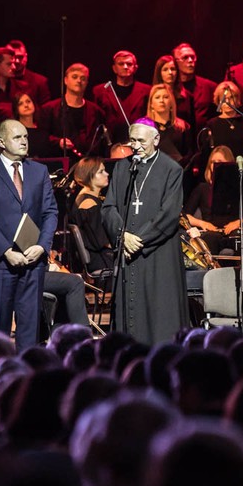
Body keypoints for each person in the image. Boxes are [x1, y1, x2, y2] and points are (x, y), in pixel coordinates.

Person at [0, 119, 59, 349]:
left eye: (26, 137)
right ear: (1, 142)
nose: (24, 141)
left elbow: (50, 212)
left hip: (33, 259)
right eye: (17, 137)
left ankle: (27, 376)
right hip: (1, 262)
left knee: (30, 326)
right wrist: (7, 251)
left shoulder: (39, 171)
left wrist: (42, 246)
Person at [101, 119, 187, 344]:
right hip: (127, 250)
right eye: (132, 140)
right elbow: (108, 207)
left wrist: (138, 240)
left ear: (156, 140)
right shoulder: (122, 167)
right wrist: (122, 235)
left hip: (158, 252)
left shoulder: (171, 169)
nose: (135, 146)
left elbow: (169, 214)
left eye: (141, 141)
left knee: (158, 312)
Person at [42, 63, 106, 158]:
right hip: (59, 163)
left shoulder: (96, 111)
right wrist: (58, 142)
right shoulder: (49, 109)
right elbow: (42, 138)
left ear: (87, 83)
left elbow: (102, 143)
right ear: (66, 80)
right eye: (74, 77)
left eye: (83, 78)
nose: (79, 81)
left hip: (89, 165)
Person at [92, 50, 152, 143]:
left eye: (129, 64)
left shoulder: (147, 90)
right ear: (114, 68)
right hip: (109, 144)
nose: (125, 67)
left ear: (135, 68)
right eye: (121, 64)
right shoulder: (100, 91)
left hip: (139, 143)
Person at [69, 156, 113, 272]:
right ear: (89, 176)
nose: (107, 174)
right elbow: (102, 241)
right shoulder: (89, 204)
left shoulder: (88, 197)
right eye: (101, 172)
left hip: (103, 255)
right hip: (102, 259)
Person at [206, 81, 243, 158]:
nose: (227, 102)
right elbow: (206, 154)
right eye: (223, 99)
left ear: (237, 100)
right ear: (218, 101)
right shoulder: (211, 125)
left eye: (231, 97)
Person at [173, 43, 217, 130]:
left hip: (203, 138)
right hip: (179, 138)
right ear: (176, 61)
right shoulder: (170, 88)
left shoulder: (209, 87)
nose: (190, 60)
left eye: (193, 57)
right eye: (185, 57)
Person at [145, 83, 193, 163]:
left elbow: (189, 154)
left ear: (171, 103)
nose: (161, 101)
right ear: (151, 105)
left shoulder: (182, 127)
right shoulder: (144, 128)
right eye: (157, 97)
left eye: (166, 97)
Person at [153, 55, 194, 130]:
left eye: (173, 69)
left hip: (182, 135)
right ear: (159, 73)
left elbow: (191, 122)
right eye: (165, 69)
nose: (170, 73)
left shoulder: (186, 96)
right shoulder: (152, 95)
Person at [7, 39, 51, 107]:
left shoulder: (40, 82)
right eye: (13, 57)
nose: (17, 61)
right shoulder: (1, 81)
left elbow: (45, 111)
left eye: (20, 57)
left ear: (26, 57)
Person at [12, 92, 51, 158]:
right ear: (16, 109)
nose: (26, 105)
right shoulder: (14, 132)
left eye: (28, 101)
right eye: (20, 104)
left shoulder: (42, 130)